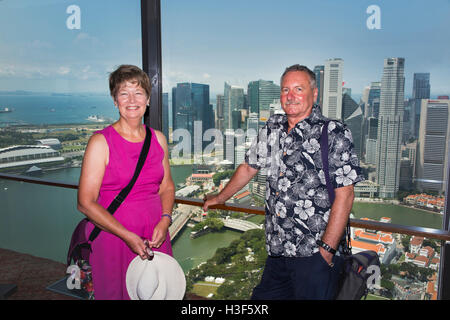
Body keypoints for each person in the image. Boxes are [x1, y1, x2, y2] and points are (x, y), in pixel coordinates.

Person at [203, 64, 364, 300]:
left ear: (314, 93)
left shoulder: (333, 132)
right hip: (278, 250)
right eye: (285, 90)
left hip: (313, 253)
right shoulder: (273, 127)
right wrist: (219, 198)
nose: (290, 96)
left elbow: (345, 195)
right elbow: (248, 167)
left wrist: (326, 252)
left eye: (298, 89)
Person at [77, 64, 175, 300]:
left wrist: (166, 219)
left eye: (138, 92)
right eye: (124, 93)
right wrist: (127, 236)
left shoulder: (157, 139)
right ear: (114, 100)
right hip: (114, 238)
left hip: (154, 235)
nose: (132, 100)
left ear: (148, 99)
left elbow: (167, 186)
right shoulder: (101, 142)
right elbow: (85, 203)